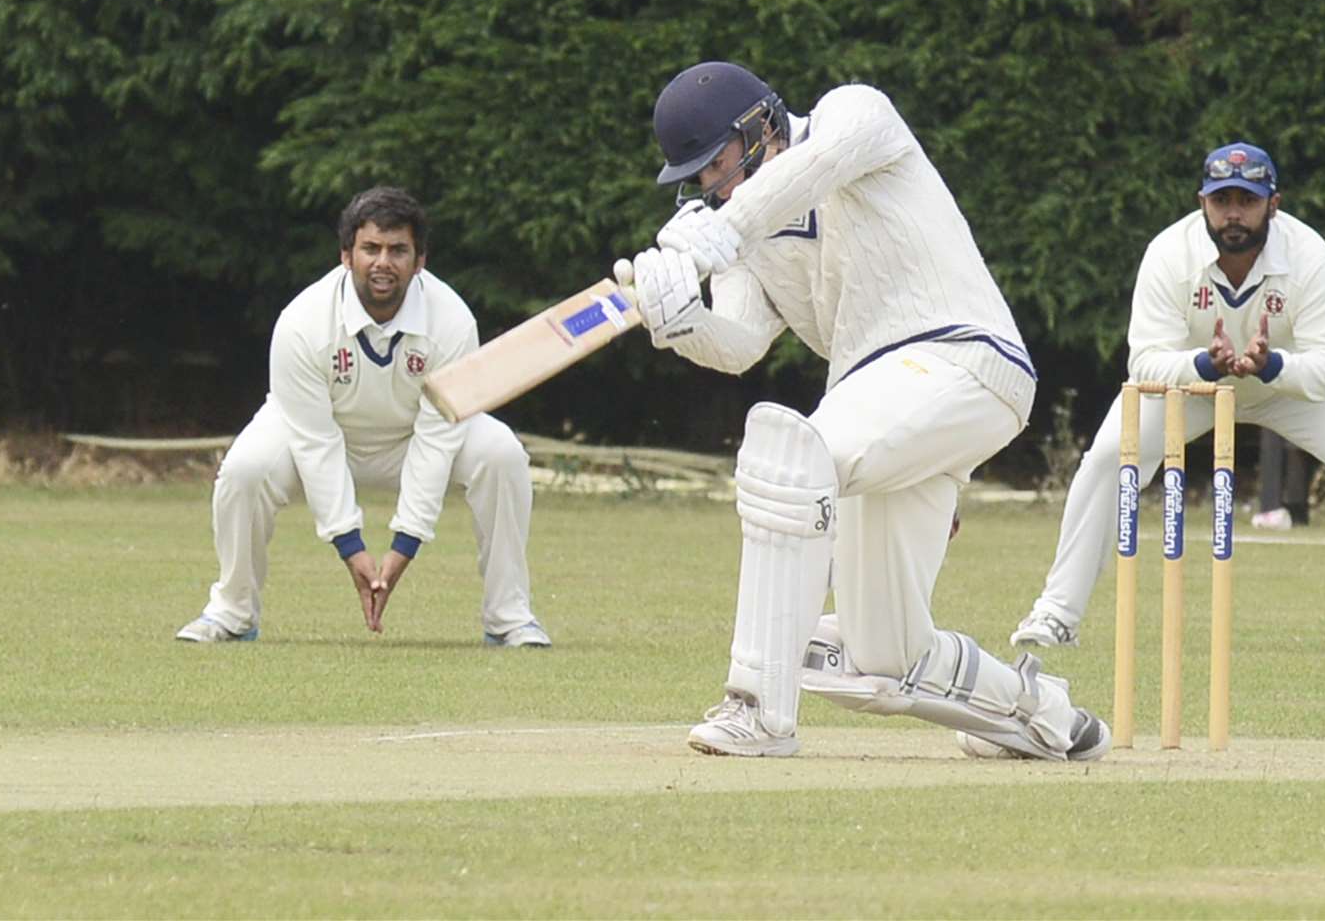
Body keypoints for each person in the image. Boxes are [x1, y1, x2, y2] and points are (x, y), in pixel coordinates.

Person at [622, 61, 1110, 761]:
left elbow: (804, 174)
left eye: (718, 165)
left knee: (792, 457)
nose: (712, 186)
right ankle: (1043, 716)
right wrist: (678, 323)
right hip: (888, 404)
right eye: (698, 179)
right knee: (884, 650)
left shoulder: (855, 116)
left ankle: (756, 709)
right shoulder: (741, 235)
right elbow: (739, 346)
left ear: (761, 126)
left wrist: (717, 233)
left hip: (964, 356)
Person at [1010, 143, 1325, 658]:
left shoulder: (1309, 254)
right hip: (1192, 383)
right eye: (1222, 200)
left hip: (1287, 383)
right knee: (1106, 460)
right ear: (1202, 202)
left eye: (1247, 201)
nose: (1234, 213)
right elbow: (1143, 363)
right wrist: (1205, 365)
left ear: (1273, 204)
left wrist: (1271, 364)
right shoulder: (1170, 254)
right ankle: (1057, 612)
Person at [176, 187, 550, 647]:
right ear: (346, 255)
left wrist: (404, 546)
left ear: (420, 261)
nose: (383, 262)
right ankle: (232, 612)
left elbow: (437, 438)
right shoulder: (302, 323)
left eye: (398, 250)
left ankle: (509, 616)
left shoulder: (452, 322)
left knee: (502, 455)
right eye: (370, 248)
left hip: (414, 438)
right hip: (315, 431)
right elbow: (314, 442)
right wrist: (350, 546)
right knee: (244, 470)